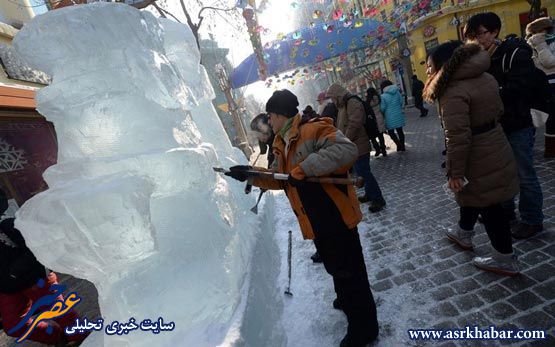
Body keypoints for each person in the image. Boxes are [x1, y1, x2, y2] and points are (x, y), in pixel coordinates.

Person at [224, 89, 379, 346]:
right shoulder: (281, 142)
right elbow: (280, 179)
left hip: (334, 212)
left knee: (351, 272)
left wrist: (306, 168)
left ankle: (364, 327)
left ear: (280, 114)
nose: (268, 121)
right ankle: (346, 298)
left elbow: (347, 150)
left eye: (270, 116)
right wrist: (250, 174)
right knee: (336, 266)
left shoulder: (313, 129)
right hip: (313, 217)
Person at [423, 41, 520, 275]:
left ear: (444, 63)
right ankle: (463, 232)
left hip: (477, 153)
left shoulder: (453, 90)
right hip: (494, 142)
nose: (427, 70)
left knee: (488, 205)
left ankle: (504, 258)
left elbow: (457, 136)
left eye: (429, 65)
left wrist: (454, 172)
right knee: (474, 194)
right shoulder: (484, 76)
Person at [464, 12, 544, 239]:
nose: (477, 40)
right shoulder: (480, 59)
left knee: (524, 173)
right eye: (472, 36)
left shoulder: (514, 54)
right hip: (496, 126)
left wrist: (492, 94)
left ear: (494, 31)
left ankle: (532, 219)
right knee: (502, 172)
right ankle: (507, 212)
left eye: (480, 34)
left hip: (518, 123)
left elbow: (520, 88)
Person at [0, 189, 88, 346]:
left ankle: (86, 340)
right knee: (14, 326)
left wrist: (15, 270)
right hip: (8, 288)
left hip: (36, 278)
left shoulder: (7, 225)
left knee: (64, 316)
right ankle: (58, 338)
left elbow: (36, 247)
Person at [326, 83, 387, 213]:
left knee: (365, 173)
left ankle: (378, 199)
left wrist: (345, 140)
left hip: (358, 145)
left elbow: (355, 123)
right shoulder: (343, 105)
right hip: (353, 146)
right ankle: (369, 194)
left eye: (332, 97)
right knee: (361, 172)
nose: (332, 101)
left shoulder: (352, 102)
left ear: (338, 95)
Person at [526, 16, 555, 158]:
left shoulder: (545, 41)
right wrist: (541, 44)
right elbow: (549, 62)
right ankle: (550, 149)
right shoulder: (537, 43)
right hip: (548, 83)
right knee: (551, 117)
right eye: (547, 29)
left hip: (548, 82)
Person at [380, 80, 407, 151]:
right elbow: (401, 102)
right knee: (400, 131)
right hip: (398, 114)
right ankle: (402, 146)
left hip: (389, 117)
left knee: (391, 133)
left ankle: (398, 145)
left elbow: (382, 108)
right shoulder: (397, 92)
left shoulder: (383, 96)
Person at [366, 87, 387, 157]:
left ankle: (377, 149)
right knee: (381, 136)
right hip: (379, 117)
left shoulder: (368, 101)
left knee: (372, 137)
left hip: (372, 120)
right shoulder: (379, 98)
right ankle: (383, 150)